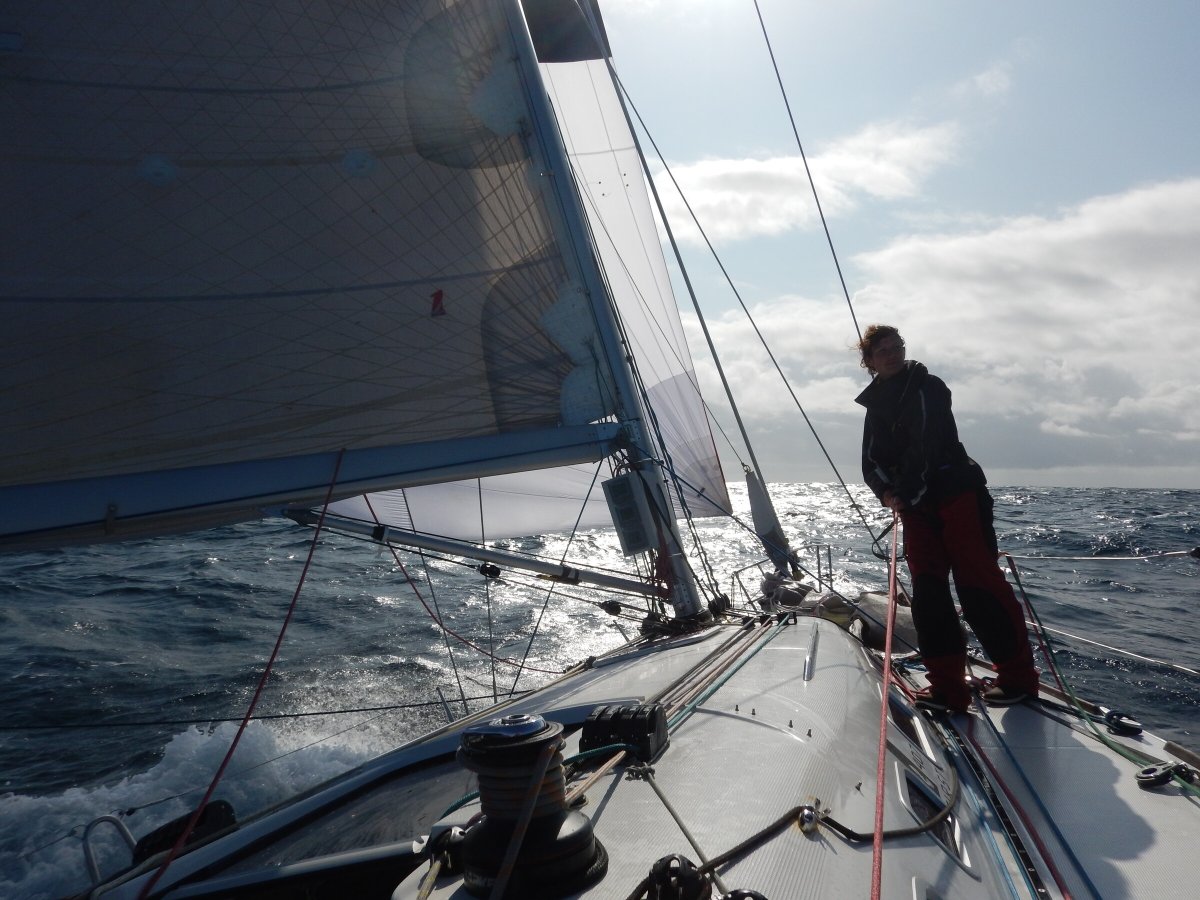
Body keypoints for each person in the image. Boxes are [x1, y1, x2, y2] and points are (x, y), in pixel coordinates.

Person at [854, 324, 1039, 712]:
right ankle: (948, 690)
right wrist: (887, 493)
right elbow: (870, 461)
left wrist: (906, 496)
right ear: (868, 361)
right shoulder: (874, 406)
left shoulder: (928, 387)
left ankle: (1018, 680)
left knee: (978, 589)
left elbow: (927, 446)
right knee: (929, 596)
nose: (891, 353)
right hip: (917, 508)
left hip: (956, 497)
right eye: (882, 350)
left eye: (896, 346)